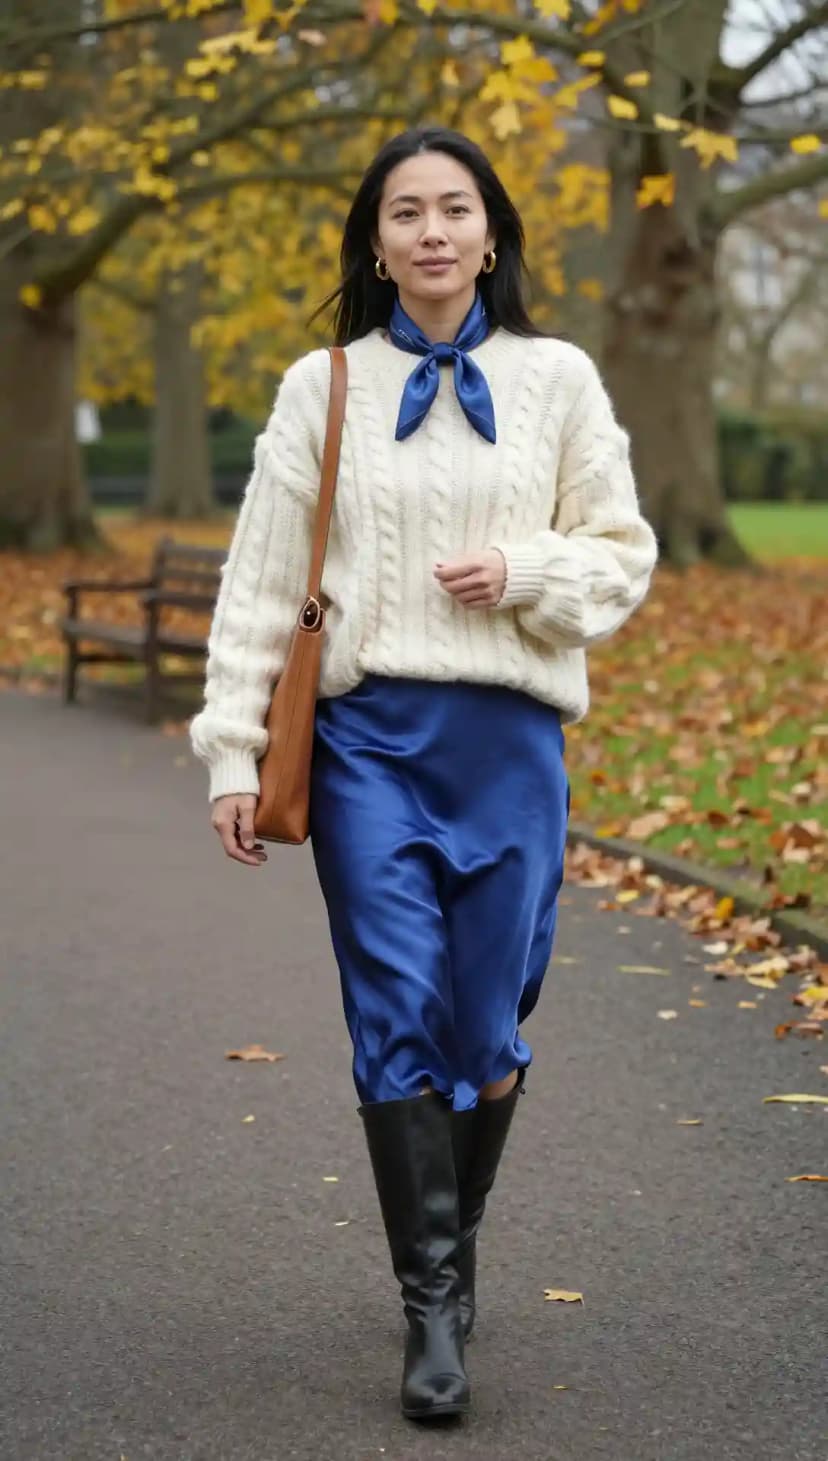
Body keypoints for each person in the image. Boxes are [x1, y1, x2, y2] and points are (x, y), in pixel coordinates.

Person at [189, 125, 658, 1423]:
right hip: (366, 747)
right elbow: (261, 583)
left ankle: (457, 1240)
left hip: (510, 745)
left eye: (456, 209)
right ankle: (430, 1304)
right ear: (377, 238)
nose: (433, 231)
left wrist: (526, 574)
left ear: (491, 234)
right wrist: (235, 747)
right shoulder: (319, 387)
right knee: (396, 1002)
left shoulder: (559, 378)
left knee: (486, 1024)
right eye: (407, 212)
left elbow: (621, 554)